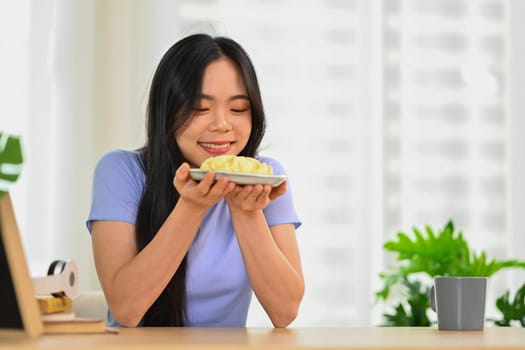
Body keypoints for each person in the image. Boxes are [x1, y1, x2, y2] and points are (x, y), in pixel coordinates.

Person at [86, 33, 304, 328]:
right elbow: (127, 309)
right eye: (200, 108)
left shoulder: (265, 177)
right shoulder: (121, 171)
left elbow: (285, 311)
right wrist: (191, 207)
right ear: (167, 110)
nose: (222, 124)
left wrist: (246, 211)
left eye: (238, 109)